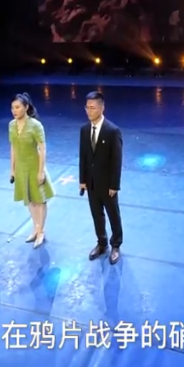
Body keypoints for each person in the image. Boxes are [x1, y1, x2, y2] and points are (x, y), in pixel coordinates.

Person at [79, 91, 123, 264]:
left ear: (102, 108)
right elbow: (83, 156)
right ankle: (102, 242)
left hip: (107, 185)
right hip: (91, 184)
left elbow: (117, 161)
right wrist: (82, 180)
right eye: (87, 108)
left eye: (93, 108)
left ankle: (116, 244)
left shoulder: (112, 131)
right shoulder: (84, 130)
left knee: (113, 214)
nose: (89, 111)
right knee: (96, 215)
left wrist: (114, 185)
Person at [9, 93, 54, 248]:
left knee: (39, 200)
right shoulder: (12, 125)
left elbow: (42, 148)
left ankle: (41, 231)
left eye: (17, 107)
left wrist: (41, 172)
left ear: (26, 107)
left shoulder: (35, 125)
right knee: (29, 199)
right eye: (12, 108)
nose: (14, 111)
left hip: (34, 166)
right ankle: (35, 228)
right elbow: (13, 147)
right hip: (21, 168)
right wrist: (12, 169)